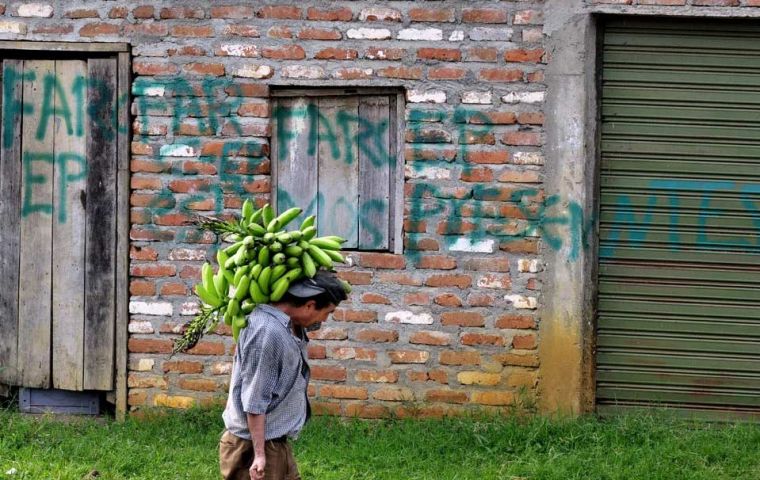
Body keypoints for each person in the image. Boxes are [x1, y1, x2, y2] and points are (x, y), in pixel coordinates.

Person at [219, 270, 348, 480]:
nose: (325, 319)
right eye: (328, 312)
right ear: (309, 305)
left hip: (275, 442)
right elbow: (255, 400)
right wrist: (260, 455)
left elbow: (308, 318)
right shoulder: (267, 332)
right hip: (253, 446)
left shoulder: (289, 324)